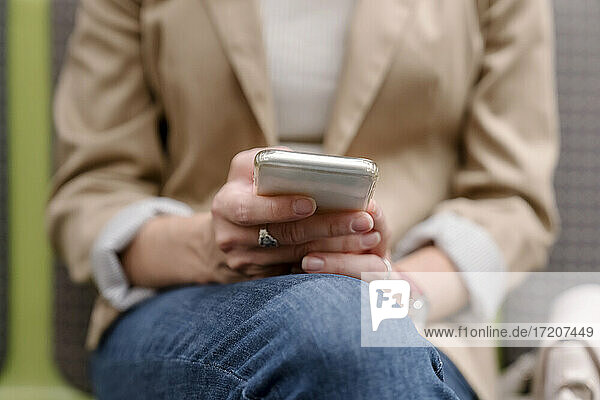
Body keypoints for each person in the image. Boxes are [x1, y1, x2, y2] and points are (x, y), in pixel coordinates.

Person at [47, 0, 559, 398]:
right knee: (344, 333)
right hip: (186, 302)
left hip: (418, 312)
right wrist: (209, 245)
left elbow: (511, 202)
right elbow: (92, 194)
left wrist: (396, 291)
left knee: (351, 329)